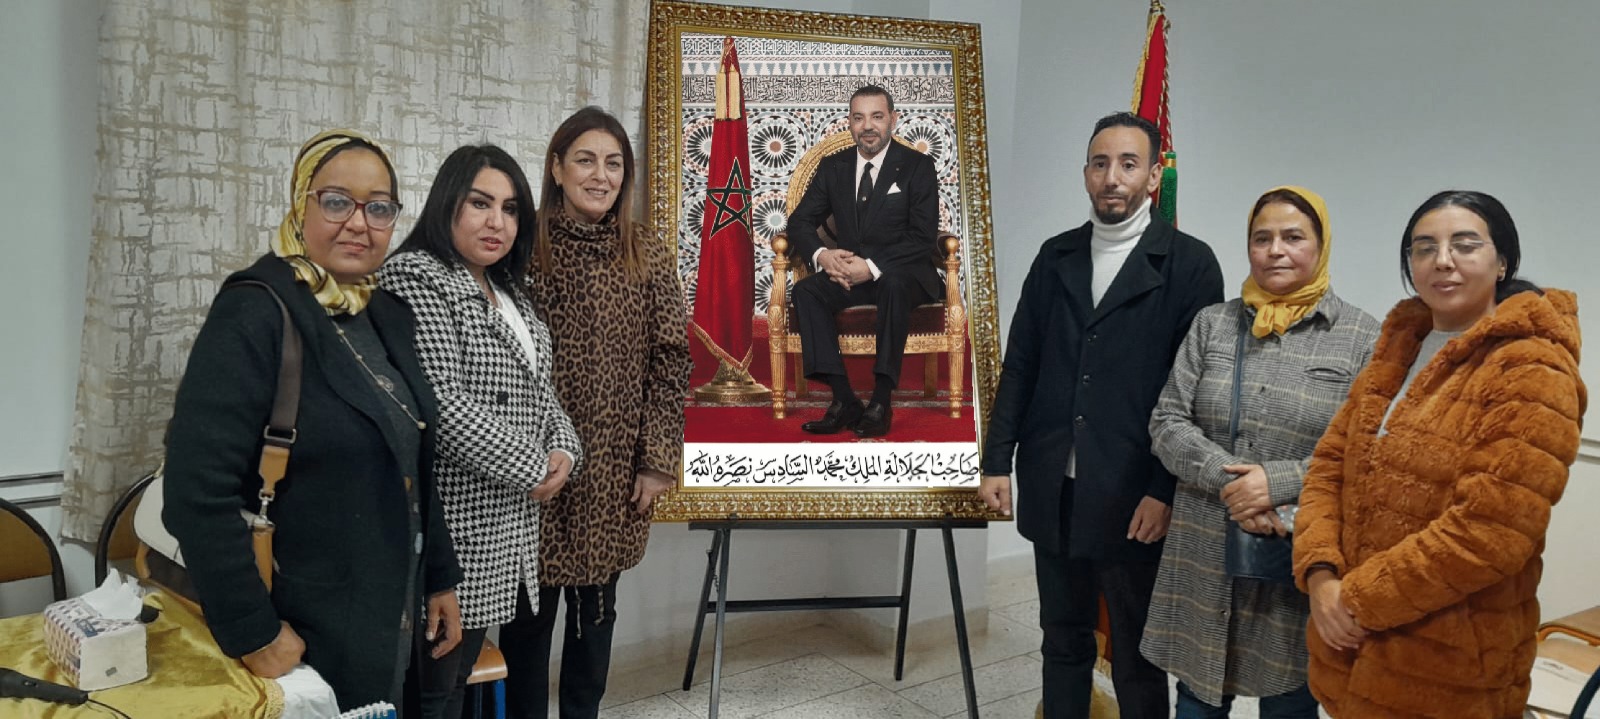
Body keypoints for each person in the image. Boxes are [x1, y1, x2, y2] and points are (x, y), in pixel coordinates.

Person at [162, 129, 463, 713]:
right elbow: (195, 493)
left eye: (379, 208)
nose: (359, 223)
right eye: (336, 201)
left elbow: (413, 463)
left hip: (393, 616)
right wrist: (254, 632)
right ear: (301, 205)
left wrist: (439, 578)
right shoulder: (255, 311)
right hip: (305, 629)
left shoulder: (387, 313)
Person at [1293, 190, 1585, 718]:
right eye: (1424, 248)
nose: (1442, 260)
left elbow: (1491, 531)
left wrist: (1354, 601)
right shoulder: (1400, 346)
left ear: (1502, 262)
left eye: (1465, 245)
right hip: (1352, 653)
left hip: (1448, 673)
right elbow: (1329, 469)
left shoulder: (1531, 366)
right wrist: (1320, 576)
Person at [977, 111, 1224, 719]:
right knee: (1062, 639)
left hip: (1131, 493)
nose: (1112, 177)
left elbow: (1195, 395)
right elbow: (1021, 364)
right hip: (1053, 485)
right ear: (1085, 172)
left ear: (1154, 175)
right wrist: (996, 460)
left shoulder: (1190, 264)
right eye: (1100, 163)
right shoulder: (1055, 255)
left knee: (1137, 654)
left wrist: (1163, 490)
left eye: (1128, 164)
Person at [1140, 187, 1380, 718]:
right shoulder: (1213, 324)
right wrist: (1234, 484)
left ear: (1321, 245)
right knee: (1197, 701)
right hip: (1204, 548)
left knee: (1290, 698)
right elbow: (1167, 421)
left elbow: (1367, 454)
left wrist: (1279, 482)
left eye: (1293, 237)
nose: (1276, 250)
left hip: (1294, 550)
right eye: (1261, 238)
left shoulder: (1362, 336)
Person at [380, 144, 583, 718]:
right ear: (447, 202)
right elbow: (440, 403)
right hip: (452, 531)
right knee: (432, 693)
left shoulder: (507, 289)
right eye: (480, 204)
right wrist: (534, 465)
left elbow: (541, 391)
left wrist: (565, 448)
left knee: (456, 685)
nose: (498, 222)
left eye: (510, 208)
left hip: (505, 527)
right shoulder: (416, 277)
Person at [518, 106, 691, 718]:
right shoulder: (521, 246)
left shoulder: (645, 250)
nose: (601, 176)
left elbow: (672, 362)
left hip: (614, 471)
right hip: (534, 465)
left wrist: (658, 461)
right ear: (556, 168)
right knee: (527, 622)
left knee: (594, 616)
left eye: (613, 164)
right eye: (586, 161)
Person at [784, 84, 941, 438]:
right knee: (807, 292)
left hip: (905, 275)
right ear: (850, 122)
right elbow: (799, 222)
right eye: (859, 118)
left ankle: (881, 400)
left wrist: (869, 267)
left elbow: (922, 236)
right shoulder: (834, 167)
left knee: (894, 284)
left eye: (876, 116)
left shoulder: (918, 166)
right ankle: (844, 399)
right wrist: (824, 256)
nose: (867, 126)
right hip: (848, 274)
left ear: (893, 120)